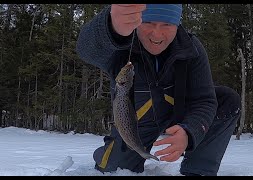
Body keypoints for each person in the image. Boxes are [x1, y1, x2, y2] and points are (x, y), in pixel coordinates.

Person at [76, 4, 241, 176]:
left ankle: (199, 171)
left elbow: (204, 100)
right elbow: (85, 50)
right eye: (148, 23)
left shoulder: (191, 48)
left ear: (177, 24)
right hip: (135, 123)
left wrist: (190, 131)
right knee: (114, 169)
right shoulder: (120, 46)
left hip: (179, 115)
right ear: (137, 21)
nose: (157, 34)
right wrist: (111, 25)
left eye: (167, 25)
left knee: (227, 100)